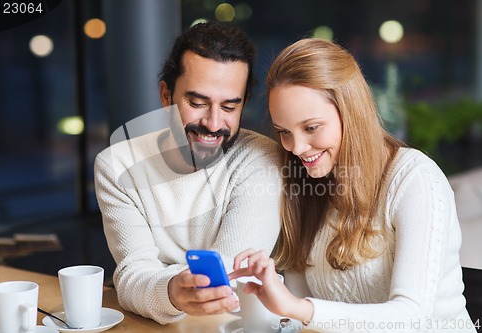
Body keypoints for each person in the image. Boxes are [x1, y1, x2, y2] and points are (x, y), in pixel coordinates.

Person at [229, 38, 477, 332]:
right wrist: (267, 292)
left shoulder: (415, 179)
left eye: (311, 128)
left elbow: (412, 316)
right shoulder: (307, 186)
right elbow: (301, 316)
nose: (296, 147)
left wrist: (297, 307)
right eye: (284, 131)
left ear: (350, 112)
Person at [94, 22, 282, 325]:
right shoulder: (116, 165)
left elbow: (228, 281)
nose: (213, 123)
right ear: (166, 95)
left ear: (244, 103)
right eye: (197, 103)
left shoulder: (260, 158)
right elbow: (130, 277)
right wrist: (170, 291)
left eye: (230, 106)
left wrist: (154, 284)